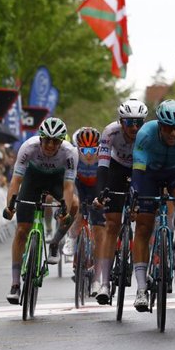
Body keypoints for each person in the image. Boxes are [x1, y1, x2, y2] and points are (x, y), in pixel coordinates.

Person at [131, 99, 175, 312]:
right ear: (160, 125)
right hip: (149, 174)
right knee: (143, 226)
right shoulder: (145, 133)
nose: (173, 133)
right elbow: (138, 172)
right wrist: (135, 195)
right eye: (168, 128)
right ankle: (142, 288)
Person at [2, 117, 79, 304]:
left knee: (75, 205)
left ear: (62, 141)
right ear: (40, 138)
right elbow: (16, 181)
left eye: (56, 141)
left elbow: (68, 187)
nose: (51, 145)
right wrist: (10, 206)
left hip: (57, 180)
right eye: (47, 140)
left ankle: (55, 242)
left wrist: (65, 210)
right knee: (22, 230)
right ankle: (14, 284)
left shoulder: (70, 153)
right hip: (33, 179)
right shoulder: (28, 148)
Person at [93, 98, 148, 304]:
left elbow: (147, 171)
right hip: (115, 169)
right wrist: (101, 193)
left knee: (143, 219)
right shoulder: (110, 132)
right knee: (112, 224)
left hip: (139, 170)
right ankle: (105, 283)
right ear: (121, 121)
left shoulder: (147, 135)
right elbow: (102, 166)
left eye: (138, 122)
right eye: (129, 122)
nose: (134, 127)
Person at [69, 127, 109, 304]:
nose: (89, 154)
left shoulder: (103, 157)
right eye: (84, 150)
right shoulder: (72, 155)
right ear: (78, 148)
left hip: (96, 187)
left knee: (100, 232)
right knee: (76, 208)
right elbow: (67, 181)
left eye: (93, 150)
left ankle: (96, 279)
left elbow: (108, 178)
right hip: (79, 185)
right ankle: (72, 240)